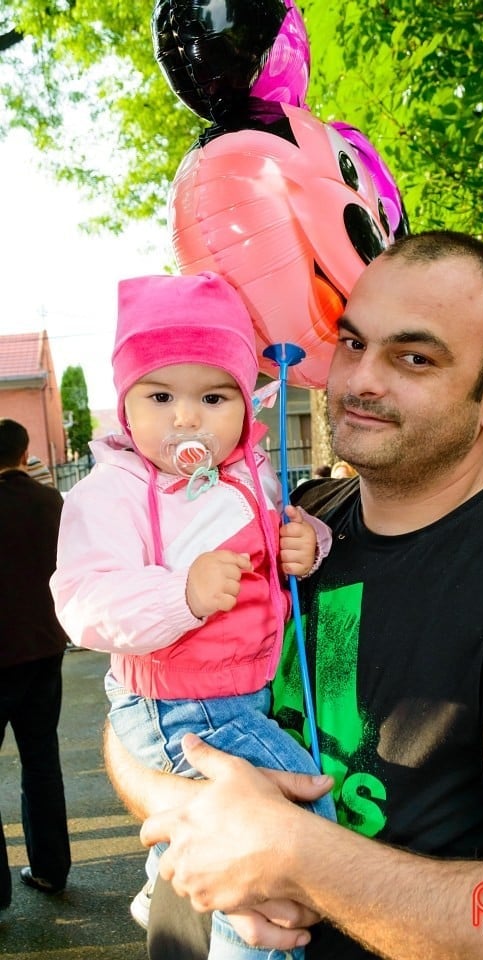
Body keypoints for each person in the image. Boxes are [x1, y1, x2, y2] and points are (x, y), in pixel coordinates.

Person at [105, 232, 483, 960]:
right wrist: (199, 811)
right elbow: (133, 715)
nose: (360, 381)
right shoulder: (288, 522)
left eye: (414, 358)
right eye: (353, 344)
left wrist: (298, 858)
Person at [51, 271, 335, 958]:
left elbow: (277, 536)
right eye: (160, 396)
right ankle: (244, 941)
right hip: (185, 705)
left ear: (246, 401)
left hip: (234, 693)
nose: (186, 418)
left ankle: (169, 877)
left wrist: (310, 545)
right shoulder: (114, 490)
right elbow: (82, 601)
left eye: (213, 396)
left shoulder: (248, 472)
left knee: (259, 833)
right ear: (126, 405)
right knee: (301, 824)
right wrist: (180, 593)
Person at [0, 419, 71, 910]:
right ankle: (50, 869)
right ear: (25, 454)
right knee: (41, 759)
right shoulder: (54, 504)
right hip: (44, 650)